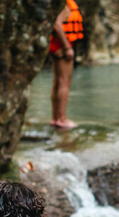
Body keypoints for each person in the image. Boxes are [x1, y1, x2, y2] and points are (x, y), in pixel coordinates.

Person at [49, 0, 84, 130]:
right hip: (61, 46)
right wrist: (67, 47)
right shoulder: (65, 4)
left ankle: (55, 117)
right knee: (64, 82)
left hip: (56, 45)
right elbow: (57, 24)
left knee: (58, 81)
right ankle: (62, 118)